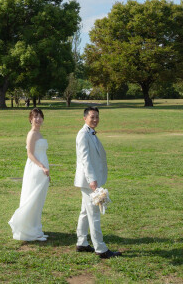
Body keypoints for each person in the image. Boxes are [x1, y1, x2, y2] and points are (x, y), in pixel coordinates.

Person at [74, 107, 121, 259]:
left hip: (91, 180)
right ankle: (100, 248)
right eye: (92, 117)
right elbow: (85, 160)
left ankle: (82, 242)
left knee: (84, 212)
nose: (95, 120)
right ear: (84, 118)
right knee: (94, 214)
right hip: (89, 181)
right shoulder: (83, 135)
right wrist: (92, 180)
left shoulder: (91, 133)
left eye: (97, 117)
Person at [8, 108, 50, 241]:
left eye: (40, 117)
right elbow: (30, 154)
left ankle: (36, 229)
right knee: (33, 198)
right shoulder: (32, 134)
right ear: (30, 119)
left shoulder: (39, 133)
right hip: (35, 169)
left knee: (39, 200)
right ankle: (28, 229)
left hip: (42, 170)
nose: (38, 119)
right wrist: (42, 166)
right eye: (35, 117)